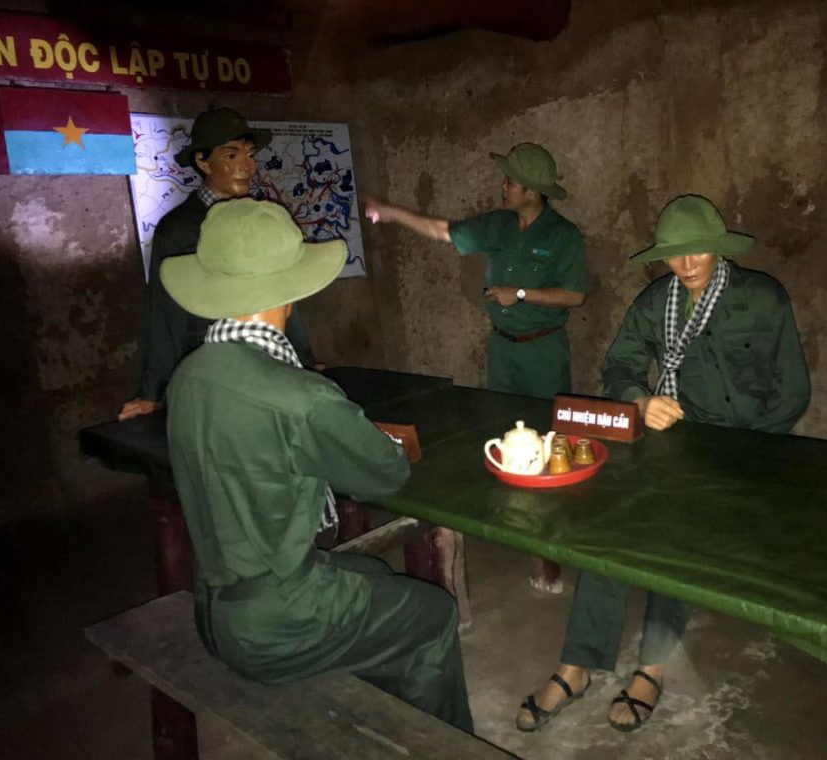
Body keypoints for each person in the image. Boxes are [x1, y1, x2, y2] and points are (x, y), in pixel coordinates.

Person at [161, 198, 473, 733]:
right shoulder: (300, 394)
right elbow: (384, 473)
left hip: (213, 608)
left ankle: (382, 718)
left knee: (371, 577)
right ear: (285, 294)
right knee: (432, 617)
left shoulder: (188, 377)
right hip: (280, 623)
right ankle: (441, 745)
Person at [515, 194, 811, 733]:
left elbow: (792, 394)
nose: (688, 263)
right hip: (670, 442)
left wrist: (749, 454)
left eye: (697, 250)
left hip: (741, 451)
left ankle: (649, 670)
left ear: (717, 248)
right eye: (675, 254)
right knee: (610, 528)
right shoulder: (657, 302)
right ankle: (575, 665)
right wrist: (640, 400)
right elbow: (619, 363)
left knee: (676, 537)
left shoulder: (763, 299)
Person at [119, 107, 316, 421]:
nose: (247, 167)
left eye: (250, 155)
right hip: (215, 373)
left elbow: (282, 292)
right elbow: (164, 313)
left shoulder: (261, 218)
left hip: (273, 368)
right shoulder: (179, 229)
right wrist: (152, 393)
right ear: (202, 161)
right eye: (231, 156)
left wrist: (304, 361)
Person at [364, 142, 587, 400]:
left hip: (543, 351)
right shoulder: (497, 224)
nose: (503, 187)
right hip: (502, 348)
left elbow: (575, 296)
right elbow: (444, 231)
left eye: (510, 183)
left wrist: (521, 293)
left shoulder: (563, 235)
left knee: (546, 430)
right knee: (502, 425)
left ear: (533, 192)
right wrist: (392, 213)